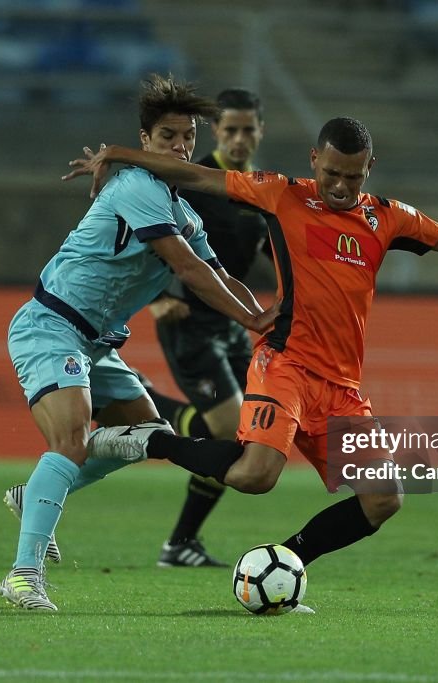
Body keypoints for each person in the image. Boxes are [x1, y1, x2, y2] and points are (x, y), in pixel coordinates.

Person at [66, 116, 438, 611]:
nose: (339, 186)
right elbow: (194, 174)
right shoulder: (280, 194)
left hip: (342, 387)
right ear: (314, 159)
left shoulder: (388, 217)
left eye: (352, 176)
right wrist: (117, 153)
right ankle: (147, 440)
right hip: (286, 363)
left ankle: (289, 561)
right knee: (255, 475)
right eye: (331, 173)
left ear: (370, 168)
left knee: (384, 498)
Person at [0, 74, 277, 611]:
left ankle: (34, 496)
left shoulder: (186, 210)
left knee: (147, 430)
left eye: (188, 138)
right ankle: (22, 575)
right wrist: (255, 321)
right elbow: (189, 270)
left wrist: (261, 313)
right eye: (169, 137)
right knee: (73, 438)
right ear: (147, 140)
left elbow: (218, 275)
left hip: (96, 343)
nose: (181, 147)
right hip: (50, 325)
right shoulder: (137, 187)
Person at [144, 87, 270, 568]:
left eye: (247, 129)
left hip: (233, 326)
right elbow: (143, 233)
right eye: (230, 129)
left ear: (261, 132)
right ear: (216, 133)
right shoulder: (193, 181)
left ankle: (180, 545)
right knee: (227, 433)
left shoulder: (260, 188)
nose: (239, 138)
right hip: (189, 321)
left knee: (244, 440)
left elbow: (261, 250)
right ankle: (148, 411)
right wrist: (157, 299)